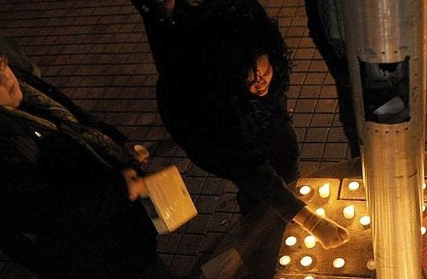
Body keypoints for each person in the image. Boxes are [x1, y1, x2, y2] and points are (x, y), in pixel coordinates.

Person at [0, 25, 178, 279]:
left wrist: (119, 144)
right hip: (93, 249)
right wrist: (118, 191)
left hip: (114, 222)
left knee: (145, 268)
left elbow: (76, 120)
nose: (6, 77)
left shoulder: (20, 87)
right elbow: (48, 214)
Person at [131, 0, 349, 259]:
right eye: (249, 81)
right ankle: (258, 231)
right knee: (256, 189)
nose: (260, 85)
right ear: (229, 79)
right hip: (210, 130)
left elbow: (272, 99)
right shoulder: (204, 95)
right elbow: (244, 164)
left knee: (283, 150)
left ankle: (284, 203)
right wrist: (311, 222)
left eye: (265, 72)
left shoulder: (251, 33)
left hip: (239, 106)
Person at [304, 0, 427, 158]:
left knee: (400, 136)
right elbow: (317, 17)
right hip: (348, 65)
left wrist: (417, 41)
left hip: (401, 60)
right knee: (360, 130)